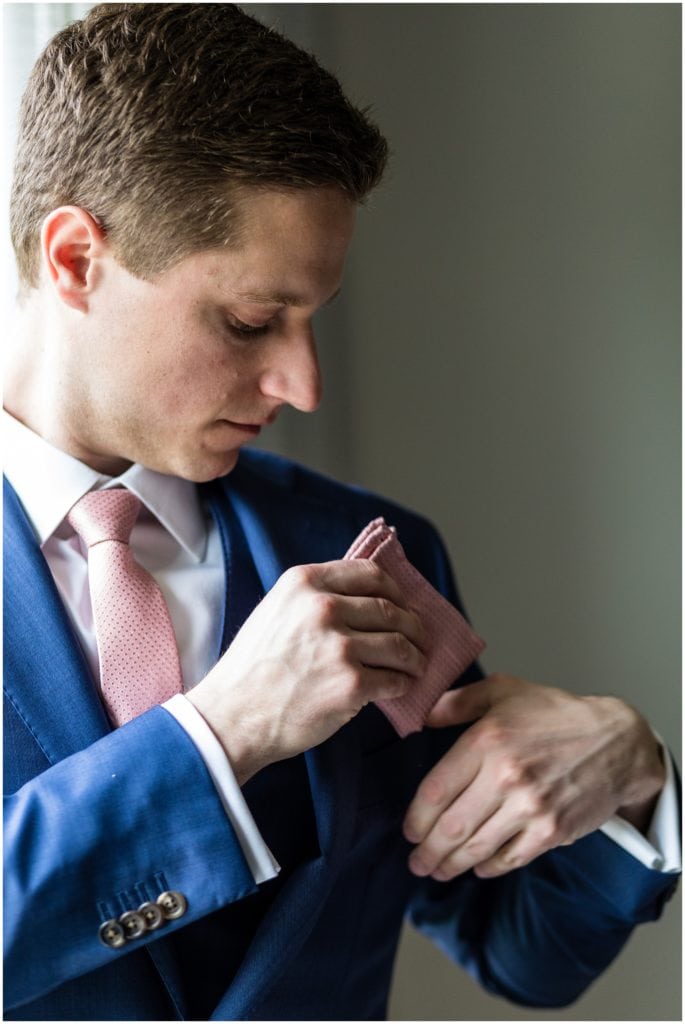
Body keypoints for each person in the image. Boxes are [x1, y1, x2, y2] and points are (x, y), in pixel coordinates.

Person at [3, 4, 679, 1021]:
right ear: (73, 257)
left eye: (311, 321)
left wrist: (632, 778)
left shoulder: (361, 553)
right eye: (248, 321)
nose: (302, 383)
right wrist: (219, 737)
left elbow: (524, 949)